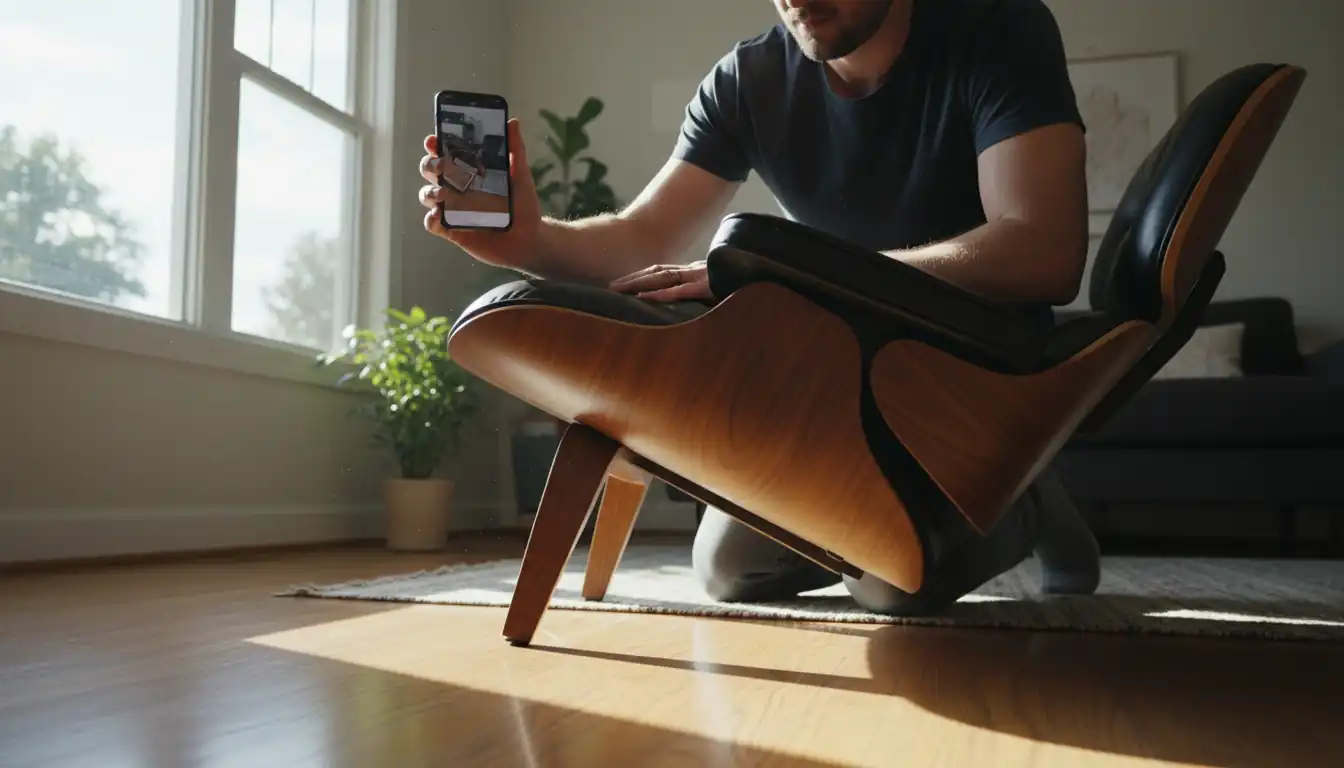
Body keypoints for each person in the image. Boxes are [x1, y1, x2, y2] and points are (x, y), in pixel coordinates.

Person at [418, 0, 1101, 614]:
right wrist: (529, 240)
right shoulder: (748, 80)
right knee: (728, 568)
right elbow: (642, 239)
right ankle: (1015, 495)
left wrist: (792, 278)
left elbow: (1041, 248)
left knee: (896, 580)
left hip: (965, 384)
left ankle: (1031, 493)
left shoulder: (998, 28)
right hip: (829, 385)